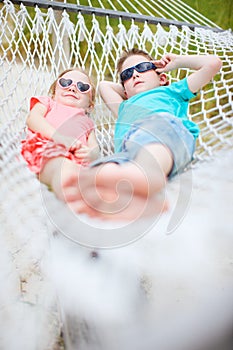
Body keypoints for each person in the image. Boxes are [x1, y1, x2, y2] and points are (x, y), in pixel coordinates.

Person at [48, 49, 222, 221]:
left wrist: (177, 62)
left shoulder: (171, 92)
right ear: (124, 91)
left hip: (164, 130)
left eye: (143, 67)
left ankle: (146, 176)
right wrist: (131, 88)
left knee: (150, 147)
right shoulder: (123, 107)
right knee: (108, 168)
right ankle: (137, 204)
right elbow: (103, 86)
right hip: (128, 152)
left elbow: (212, 64)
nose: (135, 75)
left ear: (162, 78)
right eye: (127, 74)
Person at [21, 68, 100, 202]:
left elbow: (95, 147)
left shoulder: (88, 123)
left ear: (89, 106)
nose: (72, 88)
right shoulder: (48, 103)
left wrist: (90, 154)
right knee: (63, 169)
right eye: (65, 83)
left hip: (79, 161)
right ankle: (74, 197)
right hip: (48, 149)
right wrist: (59, 137)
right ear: (53, 93)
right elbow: (32, 119)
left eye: (82, 87)